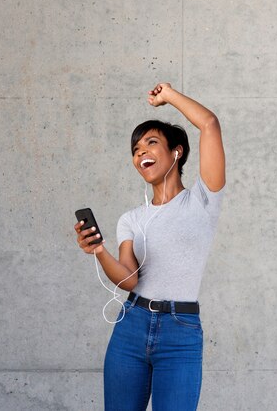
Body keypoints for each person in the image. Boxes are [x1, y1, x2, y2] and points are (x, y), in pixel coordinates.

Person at [74, 82, 226, 411]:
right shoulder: (131, 219)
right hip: (131, 326)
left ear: (177, 152)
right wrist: (99, 251)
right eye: (136, 149)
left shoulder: (202, 200)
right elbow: (128, 279)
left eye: (151, 143)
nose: (141, 152)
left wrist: (169, 96)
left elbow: (210, 124)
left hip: (180, 332)